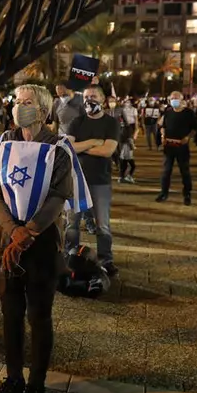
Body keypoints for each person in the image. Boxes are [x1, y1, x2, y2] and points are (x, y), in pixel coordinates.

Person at [0, 83, 75, 393]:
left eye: (28, 102)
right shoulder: (3, 144)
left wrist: (31, 231)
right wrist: (12, 230)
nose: (20, 107)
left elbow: (58, 195)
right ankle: (13, 378)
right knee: (10, 313)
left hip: (41, 242)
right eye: (17, 102)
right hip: (9, 240)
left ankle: (36, 384)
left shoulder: (58, 149)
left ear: (44, 110)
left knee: (39, 314)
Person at [66, 85, 120, 276]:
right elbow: (68, 147)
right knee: (72, 223)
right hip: (76, 180)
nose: (90, 100)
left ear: (103, 99)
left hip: (100, 180)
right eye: (87, 96)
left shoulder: (111, 123)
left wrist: (81, 147)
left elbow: (108, 150)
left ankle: (106, 260)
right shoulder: (76, 122)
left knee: (102, 225)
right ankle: (69, 255)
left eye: (94, 96)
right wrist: (92, 142)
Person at [156, 91, 195, 205]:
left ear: (182, 99)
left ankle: (187, 193)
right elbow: (163, 127)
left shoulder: (189, 113)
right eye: (172, 98)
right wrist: (163, 136)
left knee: (185, 171)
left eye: (176, 98)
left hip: (182, 147)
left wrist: (188, 138)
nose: (174, 100)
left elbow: (194, 128)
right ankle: (164, 193)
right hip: (169, 147)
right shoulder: (168, 113)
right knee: (166, 171)